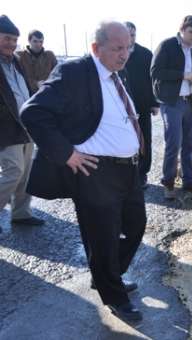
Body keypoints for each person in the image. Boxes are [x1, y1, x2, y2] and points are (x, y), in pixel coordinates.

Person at [21, 21, 146, 322]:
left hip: (128, 170)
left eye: (127, 47)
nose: (125, 54)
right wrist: (67, 154)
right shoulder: (75, 72)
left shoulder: (117, 74)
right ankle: (114, 295)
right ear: (96, 48)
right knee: (102, 236)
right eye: (118, 48)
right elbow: (32, 112)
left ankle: (106, 275)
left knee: (136, 225)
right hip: (96, 171)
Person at [151, 15, 192, 199]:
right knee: (173, 143)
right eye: (191, 32)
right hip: (171, 102)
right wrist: (183, 75)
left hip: (190, 102)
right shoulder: (167, 45)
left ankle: (189, 182)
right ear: (182, 29)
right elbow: (155, 72)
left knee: (190, 143)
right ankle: (168, 183)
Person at [0, 14, 45, 231]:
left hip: (25, 124)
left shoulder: (16, 61)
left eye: (14, 39)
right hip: (6, 128)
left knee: (27, 171)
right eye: (6, 38)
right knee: (13, 171)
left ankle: (21, 213)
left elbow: (24, 89)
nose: (11, 43)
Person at [121, 21, 158, 189]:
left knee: (144, 140)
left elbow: (153, 80)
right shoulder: (116, 54)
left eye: (133, 35)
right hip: (121, 105)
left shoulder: (145, 54)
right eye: (127, 35)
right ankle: (125, 174)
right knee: (124, 139)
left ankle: (142, 173)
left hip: (142, 104)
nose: (130, 38)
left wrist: (154, 102)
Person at [15, 29, 57, 94]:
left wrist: (47, 84)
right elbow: (17, 77)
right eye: (35, 41)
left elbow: (57, 74)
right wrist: (35, 84)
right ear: (29, 41)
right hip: (27, 95)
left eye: (41, 42)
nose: (38, 44)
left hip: (47, 93)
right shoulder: (19, 56)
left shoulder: (50, 56)